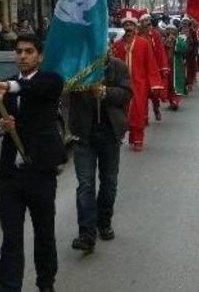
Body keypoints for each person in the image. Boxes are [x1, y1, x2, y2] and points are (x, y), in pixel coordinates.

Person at [0, 34, 65, 292]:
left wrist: (10, 87)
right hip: (10, 176)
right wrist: (1, 125)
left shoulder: (50, 80)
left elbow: (38, 90)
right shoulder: (5, 86)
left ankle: (46, 284)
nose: (22, 56)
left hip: (40, 172)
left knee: (44, 234)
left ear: (39, 56)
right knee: (11, 239)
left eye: (28, 51)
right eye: (19, 51)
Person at [69, 53, 132, 253]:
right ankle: (86, 234)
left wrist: (104, 92)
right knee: (85, 185)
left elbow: (126, 93)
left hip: (109, 133)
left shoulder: (119, 66)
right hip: (84, 135)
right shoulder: (77, 66)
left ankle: (104, 222)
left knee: (109, 183)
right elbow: (63, 87)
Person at [111, 9, 163, 151]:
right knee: (123, 111)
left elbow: (151, 64)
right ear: (123, 27)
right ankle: (130, 135)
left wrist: (154, 82)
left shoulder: (143, 43)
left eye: (131, 25)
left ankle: (138, 138)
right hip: (121, 85)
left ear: (135, 27)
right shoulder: (117, 46)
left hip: (139, 84)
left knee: (138, 111)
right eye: (126, 25)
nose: (129, 28)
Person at [139, 13, 169, 122]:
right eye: (145, 20)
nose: (147, 22)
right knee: (142, 93)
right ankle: (144, 117)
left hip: (154, 68)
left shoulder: (155, 34)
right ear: (141, 23)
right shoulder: (138, 35)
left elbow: (161, 51)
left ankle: (156, 108)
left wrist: (163, 67)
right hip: (142, 69)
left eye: (148, 20)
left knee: (154, 93)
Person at [164, 23, 188, 110]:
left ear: (175, 31)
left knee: (177, 83)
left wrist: (175, 41)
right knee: (169, 84)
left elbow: (184, 48)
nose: (170, 31)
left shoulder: (180, 39)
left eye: (172, 30)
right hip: (166, 65)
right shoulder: (163, 40)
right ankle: (171, 101)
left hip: (176, 65)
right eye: (168, 29)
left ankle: (175, 101)